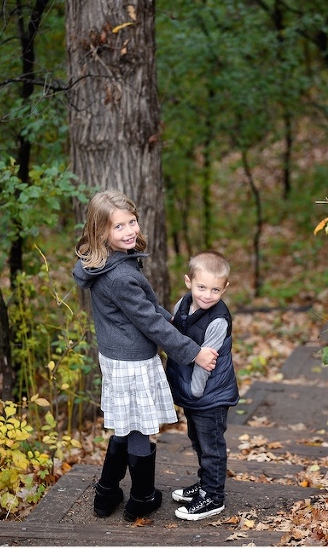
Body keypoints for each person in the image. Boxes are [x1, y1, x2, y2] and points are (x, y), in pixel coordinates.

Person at [73, 189, 218, 522]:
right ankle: (141, 497)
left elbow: (146, 310)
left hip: (114, 355)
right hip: (133, 360)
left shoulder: (103, 262)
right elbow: (149, 322)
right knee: (139, 431)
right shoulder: (121, 275)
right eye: (118, 226)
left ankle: (106, 494)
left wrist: (174, 318)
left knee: (125, 427)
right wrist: (192, 352)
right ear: (101, 232)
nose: (129, 231)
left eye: (132, 222)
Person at [166, 251, 239, 521]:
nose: (207, 295)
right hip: (194, 395)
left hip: (209, 394)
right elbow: (175, 338)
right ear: (188, 282)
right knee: (197, 440)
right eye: (201, 287)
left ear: (225, 288)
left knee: (211, 446)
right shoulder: (183, 304)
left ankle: (213, 496)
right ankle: (205, 483)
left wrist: (192, 394)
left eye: (215, 289)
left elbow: (205, 363)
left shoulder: (218, 320)